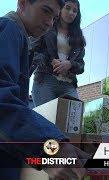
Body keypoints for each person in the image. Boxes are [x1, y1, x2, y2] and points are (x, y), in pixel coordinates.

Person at [0, 0, 88, 179]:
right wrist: (51, 150)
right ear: (23, 3)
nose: (49, 22)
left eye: (54, 17)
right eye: (46, 11)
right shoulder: (9, 29)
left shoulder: (21, 36)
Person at [32, 0, 86, 107]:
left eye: (75, 11)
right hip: (45, 80)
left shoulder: (79, 37)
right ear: (60, 8)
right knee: (46, 121)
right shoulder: (46, 27)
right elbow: (34, 53)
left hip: (69, 84)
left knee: (71, 119)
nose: (71, 13)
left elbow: (81, 65)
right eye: (68, 8)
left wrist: (70, 64)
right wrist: (50, 61)